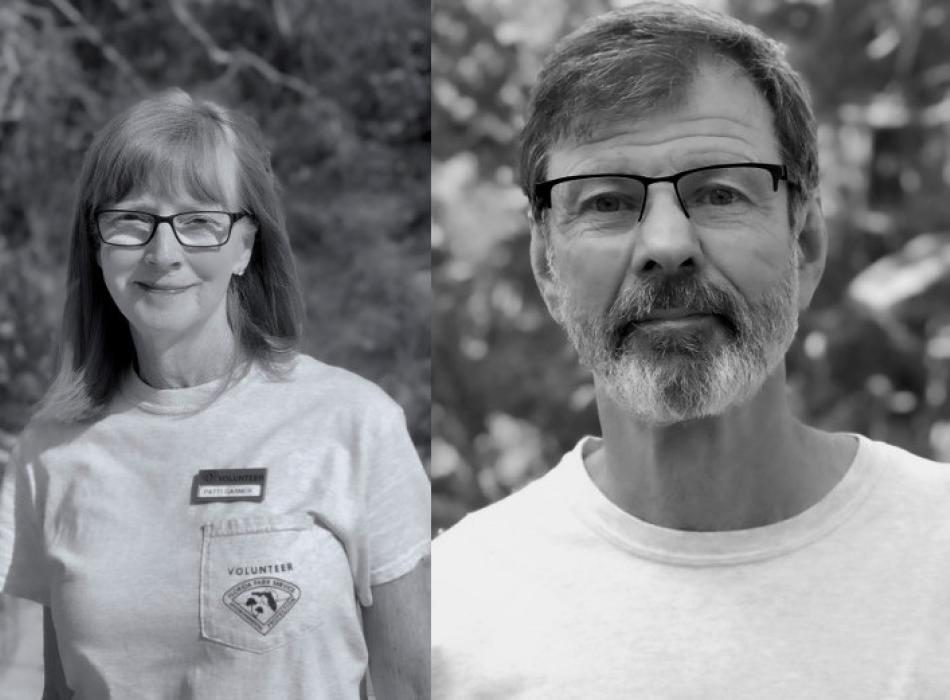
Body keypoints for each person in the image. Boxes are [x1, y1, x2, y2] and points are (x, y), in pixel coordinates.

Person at [432, 3, 950, 697]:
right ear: (547, 268)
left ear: (806, 243)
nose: (668, 246)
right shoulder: (454, 616)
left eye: (718, 193)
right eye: (608, 203)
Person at [0, 89, 430, 699]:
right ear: (96, 246)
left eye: (200, 221)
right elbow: (60, 691)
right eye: (131, 221)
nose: (163, 253)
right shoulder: (50, 453)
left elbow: (411, 685)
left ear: (246, 246)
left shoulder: (353, 425)